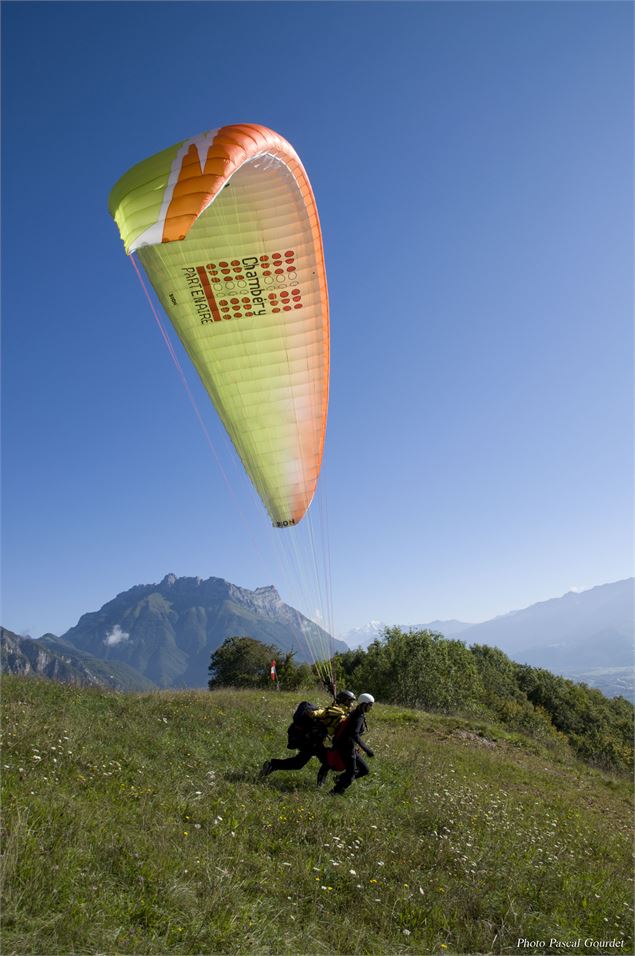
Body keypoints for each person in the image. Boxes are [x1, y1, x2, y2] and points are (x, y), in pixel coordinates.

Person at [260, 690, 356, 780]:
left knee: (309, 762)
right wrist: (314, 713)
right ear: (345, 701)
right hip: (311, 739)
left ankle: (272, 765)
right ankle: (272, 765)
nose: (352, 704)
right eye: (351, 701)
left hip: (316, 739)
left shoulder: (343, 712)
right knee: (302, 763)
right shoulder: (338, 711)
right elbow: (324, 712)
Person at [327, 692, 375, 795]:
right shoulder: (358, 716)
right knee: (351, 774)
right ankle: (334, 792)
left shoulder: (355, 712)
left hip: (348, 746)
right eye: (370, 705)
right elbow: (355, 734)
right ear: (364, 704)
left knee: (364, 770)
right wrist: (367, 750)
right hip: (346, 747)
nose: (371, 707)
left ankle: (340, 778)